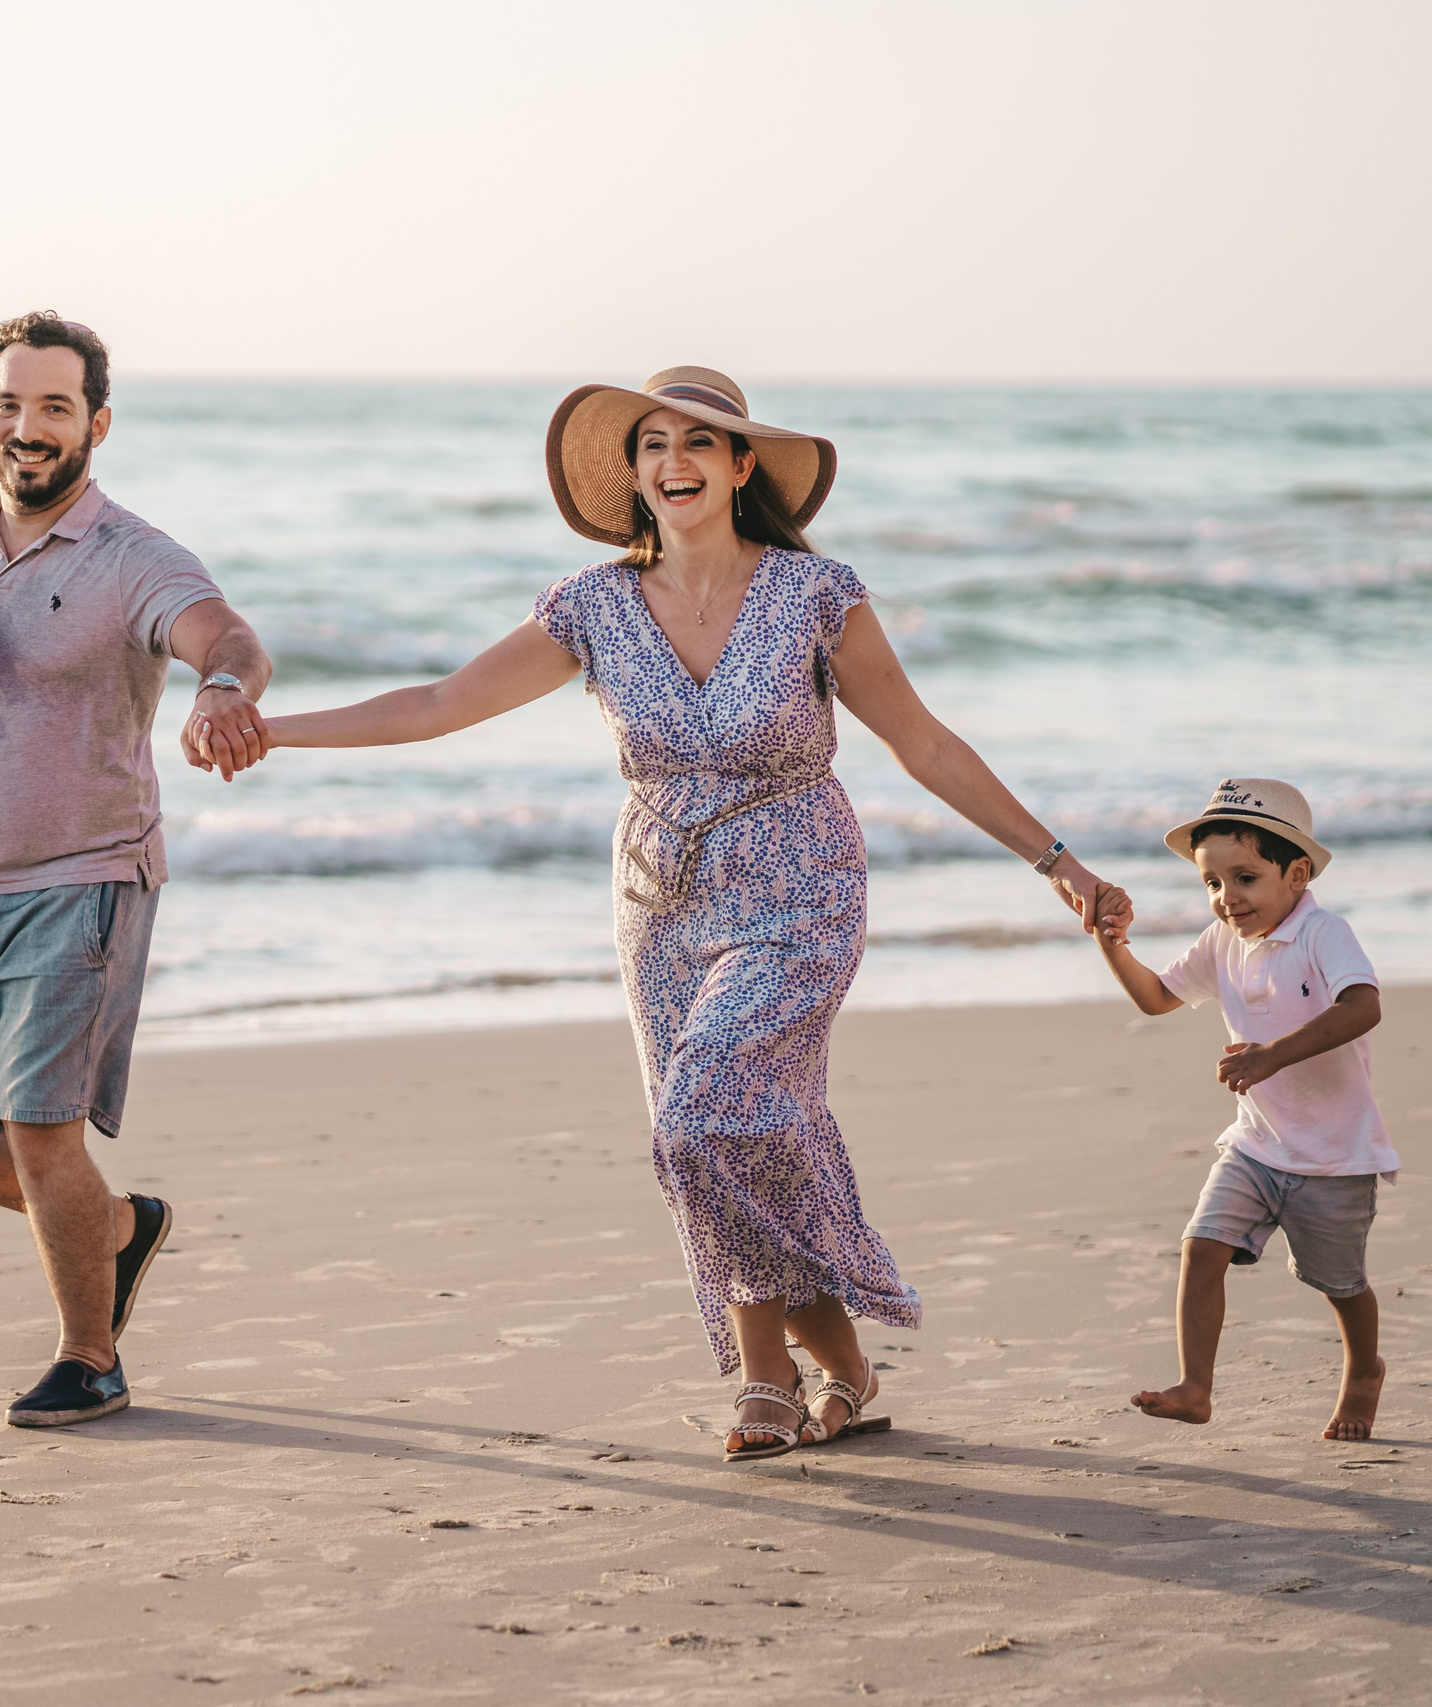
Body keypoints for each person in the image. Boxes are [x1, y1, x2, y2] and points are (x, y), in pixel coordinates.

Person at [199, 367, 1121, 1462]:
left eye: (699, 442)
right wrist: (273, 729)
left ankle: (770, 1379)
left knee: (706, 1113)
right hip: (658, 900)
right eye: (651, 445)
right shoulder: (590, 607)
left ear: (741, 467)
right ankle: (842, 1373)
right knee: (721, 1139)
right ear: (632, 475)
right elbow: (439, 704)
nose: (673, 461)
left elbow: (921, 743)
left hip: (798, 885)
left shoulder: (815, 597)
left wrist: (1053, 859)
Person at [0, 311, 274, 1429]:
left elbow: (232, 641)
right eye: (8, 406)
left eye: (54, 407)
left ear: (95, 424)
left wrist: (221, 696)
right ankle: (115, 1229)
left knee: (38, 1132)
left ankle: (88, 1355)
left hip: (83, 881)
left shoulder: (134, 559)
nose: (28, 428)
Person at [1090, 779, 1393, 1442]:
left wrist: (1271, 1055)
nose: (1227, 898)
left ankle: (1364, 1367)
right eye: (1212, 882)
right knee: (1201, 1247)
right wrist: (1112, 942)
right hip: (1257, 1145)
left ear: (1297, 873)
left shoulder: (1323, 933)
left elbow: (1364, 1006)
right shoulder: (1221, 941)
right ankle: (1196, 1386)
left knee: (1338, 1283)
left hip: (1335, 1155)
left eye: (1246, 877)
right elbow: (1156, 998)